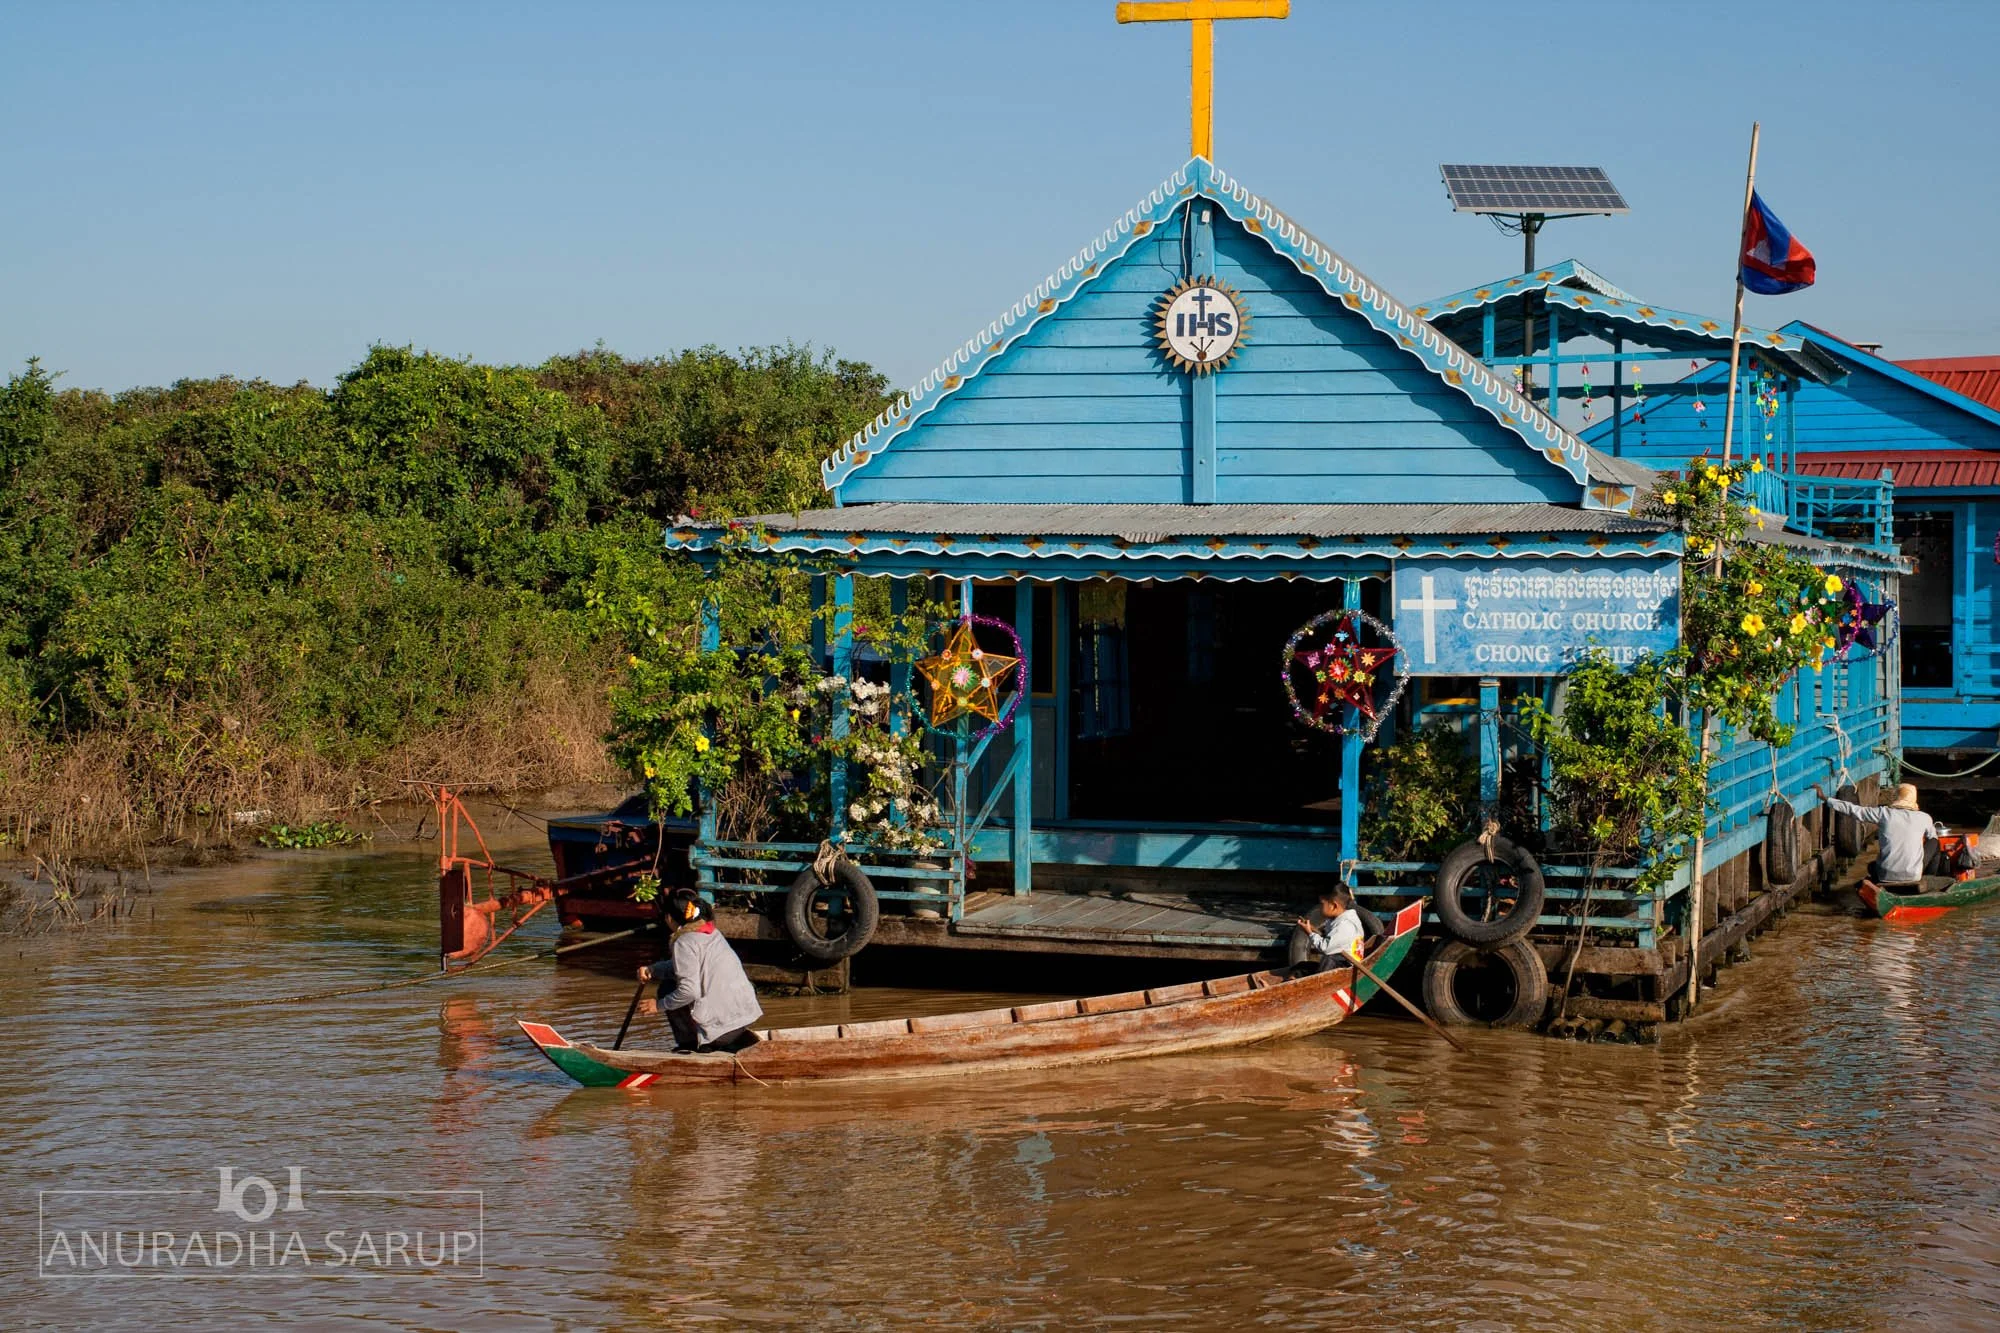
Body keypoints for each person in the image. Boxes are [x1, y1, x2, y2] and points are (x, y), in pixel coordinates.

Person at [637, 890, 763, 1053]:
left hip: (722, 1027)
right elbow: (684, 967)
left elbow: (689, 991)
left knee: (667, 988)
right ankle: (702, 1042)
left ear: (669, 918)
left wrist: (659, 1005)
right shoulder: (710, 932)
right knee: (670, 983)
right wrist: (653, 970)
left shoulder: (683, 942)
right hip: (744, 1015)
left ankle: (690, 1046)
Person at [1814, 782, 1948, 894]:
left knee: (1872, 866)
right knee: (1935, 842)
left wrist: (1825, 798)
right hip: (1913, 875)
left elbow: (1854, 810)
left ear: (1896, 797)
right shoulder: (1924, 818)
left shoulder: (1884, 813)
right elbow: (1932, 839)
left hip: (1886, 875)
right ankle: (1928, 879)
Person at [1295, 883, 1369, 973]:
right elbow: (1327, 937)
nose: (1320, 907)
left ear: (1334, 906)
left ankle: (1320, 984)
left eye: (1322, 904)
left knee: (1329, 958)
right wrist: (1311, 929)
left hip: (1347, 967)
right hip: (1339, 962)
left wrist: (1310, 933)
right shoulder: (1339, 919)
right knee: (1301, 966)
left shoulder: (1345, 925)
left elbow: (1325, 947)